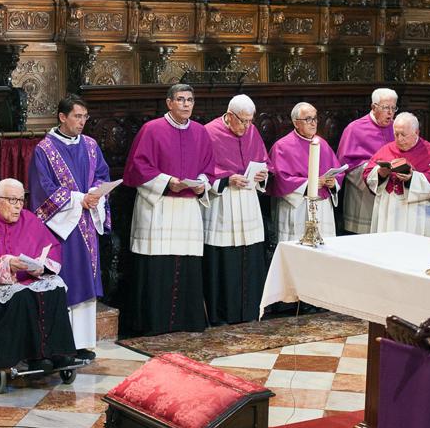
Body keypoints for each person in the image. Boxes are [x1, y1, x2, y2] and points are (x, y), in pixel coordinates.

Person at [122, 84, 214, 336]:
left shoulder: (200, 132)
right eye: (181, 99)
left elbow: (209, 168)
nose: (186, 104)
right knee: (157, 266)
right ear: (169, 103)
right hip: (158, 207)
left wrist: (202, 185)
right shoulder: (151, 129)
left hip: (187, 209)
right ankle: (153, 324)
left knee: (186, 265)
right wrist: (168, 182)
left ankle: (187, 321)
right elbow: (138, 168)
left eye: (190, 100)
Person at [29, 95, 110, 360]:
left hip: (87, 220)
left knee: (86, 280)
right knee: (68, 281)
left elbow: (101, 174)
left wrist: (97, 194)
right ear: (62, 117)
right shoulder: (44, 149)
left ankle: (84, 343)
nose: (82, 122)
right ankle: (63, 344)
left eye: (85, 116)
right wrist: (79, 200)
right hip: (62, 228)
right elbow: (43, 190)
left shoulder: (90, 145)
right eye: (77, 116)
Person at [0, 179, 76, 371]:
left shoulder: (29, 219)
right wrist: (7, 263)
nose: (18, 206)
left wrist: (41, 267)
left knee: (56, 288)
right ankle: (33, 357)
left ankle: (59, 352)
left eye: (20, 200)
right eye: (12, 200)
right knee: (22, 295)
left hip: (28, 277)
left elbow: (51, 248)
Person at [202, 94, 270, 325]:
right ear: (230, 116)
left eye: (251, 121)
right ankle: (222, 315)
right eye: (243, 121)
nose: (248, 126)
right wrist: (226, 180)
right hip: (223, 203)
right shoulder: (209, 132)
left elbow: (264, 162)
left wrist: (262, 175)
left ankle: (250, 312)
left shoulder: (251, 130)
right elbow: (200, 173)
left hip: (249, 202)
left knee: (250, 257)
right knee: (224, 259)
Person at [268, 102, 343, 241]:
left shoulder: (322, 144)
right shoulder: (282, 147)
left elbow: (338, 172)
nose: (313, 123)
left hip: (322, 209)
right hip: (298, 208)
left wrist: (332, 183)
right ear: (296, 123)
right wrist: (310, 184)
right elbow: (279, 180)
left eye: (315, 118)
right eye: (308, 119)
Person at [364, 112, 430, 236]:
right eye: (396, 134)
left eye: (403, 135)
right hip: (389, 208)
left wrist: (412, 178)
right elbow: (368, 174)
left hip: (417, 211)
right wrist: (380, 173)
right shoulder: (386, 149)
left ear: (416, 132)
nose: (399, 139)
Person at [337, 88, 397, 234]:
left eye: (393, 108)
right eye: (385, 108)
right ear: (373, 107)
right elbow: (345, 165)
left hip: (391, 194)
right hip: (362, 195)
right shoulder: (355, 129)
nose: (390, 113)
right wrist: (375, 173)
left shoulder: (397, 128)